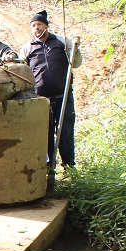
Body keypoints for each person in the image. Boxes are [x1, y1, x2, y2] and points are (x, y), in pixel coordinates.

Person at [22, 10, 82, 167]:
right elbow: (22, 70)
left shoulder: (61, 42)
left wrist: (76, 48)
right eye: (33, 25)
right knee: (44, 134)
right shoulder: (28, 48)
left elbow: (75, 63)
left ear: (46, 26)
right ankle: (49, 168)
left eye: (39, 25)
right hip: (41, 100)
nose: (37, 28)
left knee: (65, 132)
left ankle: (69, 166)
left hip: (63, 96)